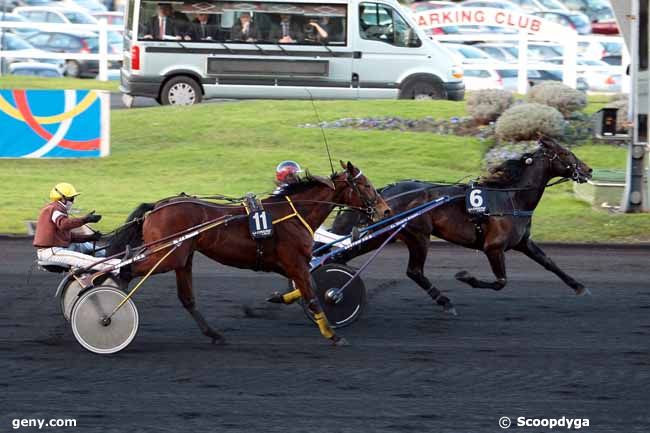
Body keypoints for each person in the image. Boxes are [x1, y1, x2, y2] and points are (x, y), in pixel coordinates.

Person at [33, 183, 121, 273]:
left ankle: (113, 257)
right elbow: (63, 224)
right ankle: (118, 265)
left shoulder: (57, 209)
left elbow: (69, 237)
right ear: (62, 198)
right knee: (89, 261)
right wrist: (85, 219)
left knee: (88, 247)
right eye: (71, 198)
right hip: (51, 252)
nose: (73, 201)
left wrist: (89, 237)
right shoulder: (54, 208)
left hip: (60, 248)